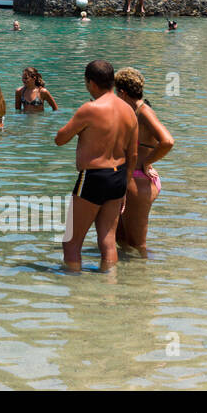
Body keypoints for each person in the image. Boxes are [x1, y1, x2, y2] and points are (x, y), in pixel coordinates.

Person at [54, 59, 137, 272]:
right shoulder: (129, 111)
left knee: (71, 242)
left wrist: (82, 129)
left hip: (93, 177)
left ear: (90, 83)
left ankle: (75, 294)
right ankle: (108, 288)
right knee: (108, 241)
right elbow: (133, 153)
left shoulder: (90, 109)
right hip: (118, 176)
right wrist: (126, 186)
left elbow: (60, 139)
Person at [113, 68, 174, 254]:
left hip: (139, 181)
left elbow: (168, 141)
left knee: (138, 245)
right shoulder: (131, 111)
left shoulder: (144, 112)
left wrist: (147, 162)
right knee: (121, 240)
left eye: (116, 92)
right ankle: (124, 280)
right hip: (130, 181)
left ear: (122, 92)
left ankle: (143, 279)